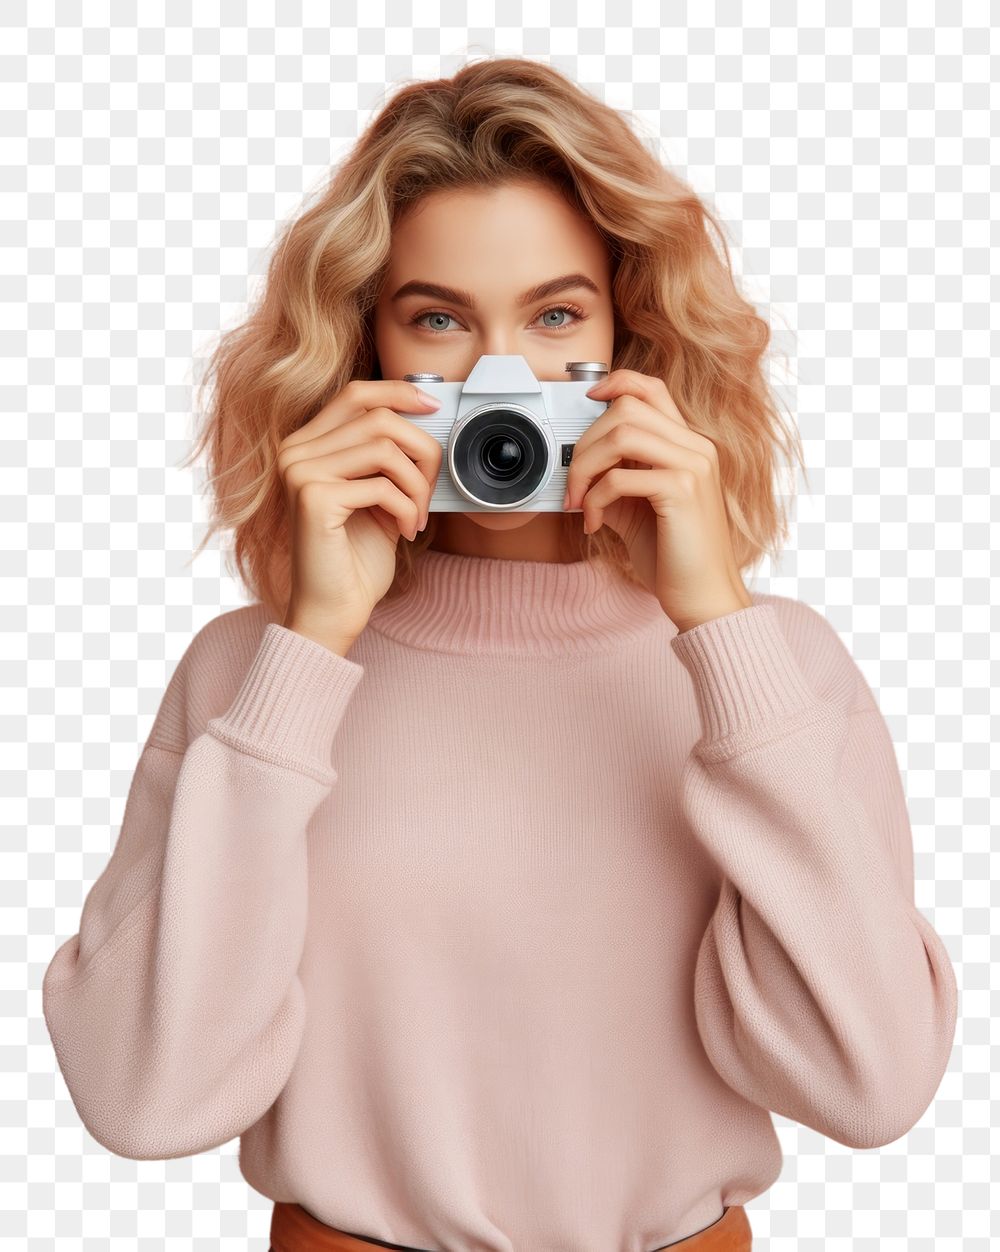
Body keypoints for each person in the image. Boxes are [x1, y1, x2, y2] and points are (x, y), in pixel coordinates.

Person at [41, 57, 958, 1252]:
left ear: (632, 335)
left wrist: (715, 620)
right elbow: (143, 1102)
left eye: (555, 315)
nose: (501, 382)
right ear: (363, 348)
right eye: (437, 320)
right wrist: (312, 646)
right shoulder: (250, 675)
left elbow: (872, 1086)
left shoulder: (772, 667)